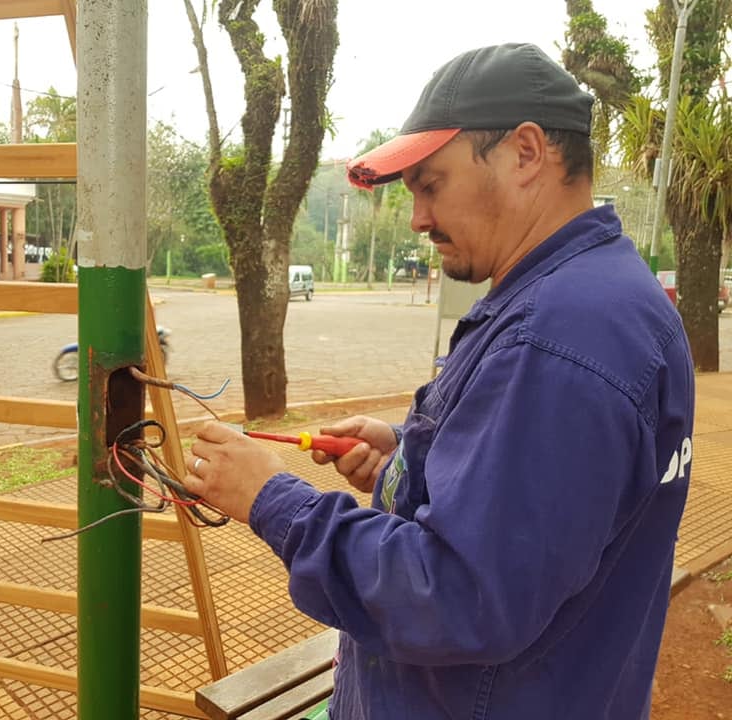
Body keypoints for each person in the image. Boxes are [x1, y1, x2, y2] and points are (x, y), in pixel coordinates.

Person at [183, 43, 694, 719]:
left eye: (431, 185)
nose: (419, 218)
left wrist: (272, 499)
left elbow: (456, 597)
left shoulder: (559, 337)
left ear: (526, 152)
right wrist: (411, 456)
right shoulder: (607, 297)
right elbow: (552, 505)